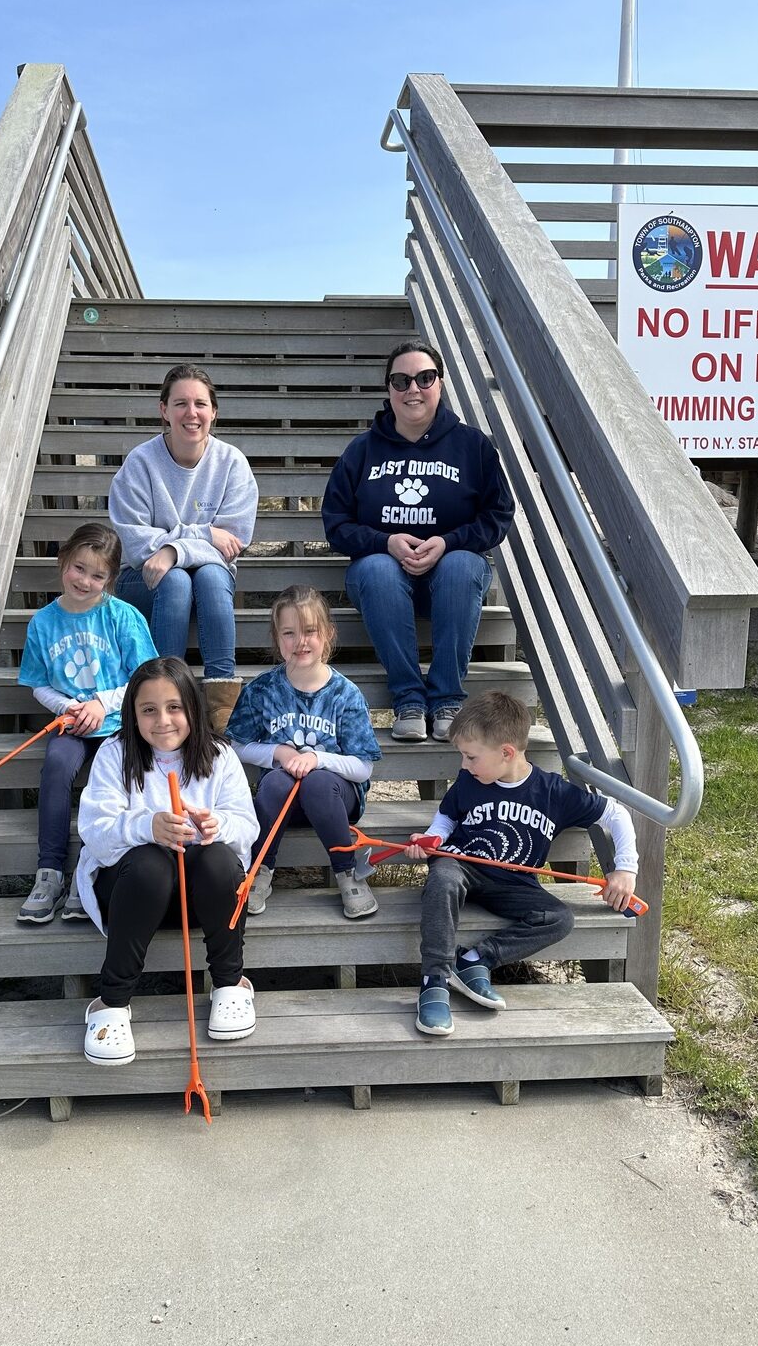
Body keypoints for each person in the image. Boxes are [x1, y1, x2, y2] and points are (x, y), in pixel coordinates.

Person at [403, 692, 639, 1037]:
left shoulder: (552, 792)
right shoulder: (470, 780)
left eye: (471, 757)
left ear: (506, 752)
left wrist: (625, 869)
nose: (465, 766)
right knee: (443, 876)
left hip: (515, 883)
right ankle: (434, 979)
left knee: (560, 918)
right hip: (463, 868)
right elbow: (446, 817)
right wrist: (433, 840)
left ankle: (475, 960)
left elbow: (615, 813)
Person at [321, 339, 514, 743]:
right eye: (401, 380)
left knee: (462, 563)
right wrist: (383, 541)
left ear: (440, 384)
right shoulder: (361, 451)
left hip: (452, 581)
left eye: (424, 378)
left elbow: (498, 515)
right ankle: (408, 698)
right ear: (388, 389)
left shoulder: (472, 446)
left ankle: (446, 700)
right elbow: (336, 523)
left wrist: (448, 542)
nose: (413, 388)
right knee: (375, 567)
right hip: (384, 582)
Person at [74, 656, 260, 1066]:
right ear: (133, 715)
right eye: (149, 710)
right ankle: (111, 1003)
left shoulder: (220, 755)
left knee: (218, 858)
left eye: (174, 707)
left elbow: (247, 827)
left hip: (200, 900)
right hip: (132, 896)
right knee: (149, 863)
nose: (163, 720)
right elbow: (94, 829)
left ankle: (230, 984)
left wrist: (217, 825)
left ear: (192, 708)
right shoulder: (114, 754)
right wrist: (147, 827)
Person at [16, 523, 157, 925]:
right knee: (57, 766)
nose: (86, 580)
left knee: (113, 780)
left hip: (117, 722)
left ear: (111, 580)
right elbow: (38, 684)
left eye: (98, 575)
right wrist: (66, 708)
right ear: (63, 562)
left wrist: (100, 702)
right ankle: (50, 872)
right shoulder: (43, 623)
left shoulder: (122, 617)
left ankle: (89, 870)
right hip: (72, 723)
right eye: (79, 568)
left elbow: (146, 677)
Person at [109, 364, 258, 735]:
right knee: (176, 583)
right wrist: (206, 535)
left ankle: (220, 707)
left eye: (200, 404)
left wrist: (175, 549)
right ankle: (165, 697)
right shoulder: (140, 464)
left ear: (214, 412)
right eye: (180, 403)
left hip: (207, 581)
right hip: (141, 580)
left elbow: (235, 540)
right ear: (164, 410)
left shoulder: (232, 463)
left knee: (207, 575)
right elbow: (136, 542)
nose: (191, 413)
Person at [226, 585, 383, 920]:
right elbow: (236, 745)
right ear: (275, 637)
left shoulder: (345, 694)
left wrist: (316, 759)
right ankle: (258, 872)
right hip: (282, 801)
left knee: (318, 782)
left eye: (310, 631)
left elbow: (364, 767)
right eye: (289, 633)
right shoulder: (262, 690)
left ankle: (347, 873)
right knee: (273, 784)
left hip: (336, 800)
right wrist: (279, 753)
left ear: (328, 634)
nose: (301, 642)